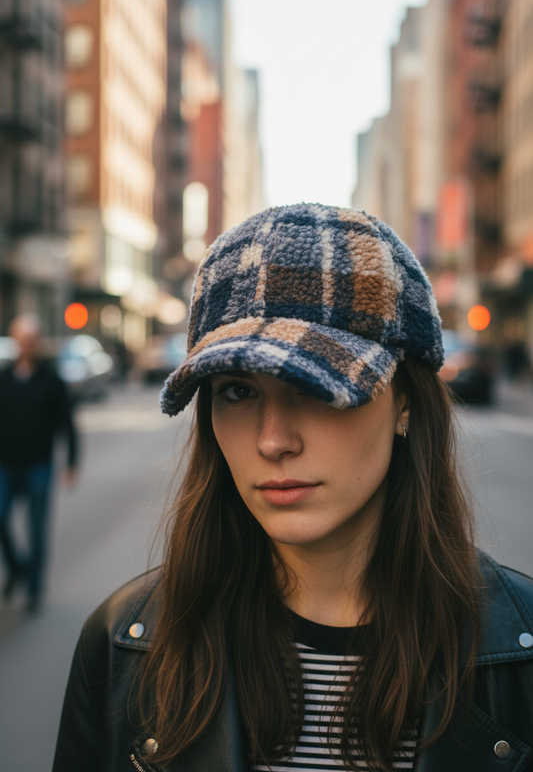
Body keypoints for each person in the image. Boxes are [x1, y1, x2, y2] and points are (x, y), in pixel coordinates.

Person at [53, 205, 533, 772]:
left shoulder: (519, 658)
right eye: (237, 391)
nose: (273, 440)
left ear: (404, 400)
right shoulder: (122, 646)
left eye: (316, 387)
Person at [0, 314, 79, 611]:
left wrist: (71, 463)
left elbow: (67, 423)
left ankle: (34, 589)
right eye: (21, 339)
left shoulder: (51, 380)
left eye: (31, 339)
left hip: (39, 466)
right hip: (5, 465)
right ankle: (17, 567)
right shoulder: (4, 378)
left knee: (37, 527)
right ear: (15, 341)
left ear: (38, 342)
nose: (26, 344)